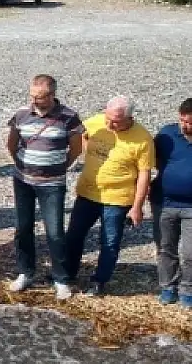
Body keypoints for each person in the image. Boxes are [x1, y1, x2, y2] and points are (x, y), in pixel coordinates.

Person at [64, 96, 155, 296]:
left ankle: (99, 280)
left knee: (110, 241)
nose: (109, 124)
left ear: (129, 118)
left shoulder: (142, 139)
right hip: (88, 192)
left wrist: (137, 206)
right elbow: (79, 133)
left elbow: (144, 174)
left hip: (118, 198)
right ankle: (67, 273)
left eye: (115, 121)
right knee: (74, 235)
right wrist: (83, 150)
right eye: (108, 118)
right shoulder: (96, 121)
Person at [5, 75, 83, 301]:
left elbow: (76, 149)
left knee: (55, 232)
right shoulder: (21, 114)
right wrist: (23, 164)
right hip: (23, 180)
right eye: (32, 96)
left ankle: (60, 278)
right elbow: (12, 144)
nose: (34, 100)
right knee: (23, 228)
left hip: (52, 184)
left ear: (51, 95)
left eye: (39, 97)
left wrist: (59, 166)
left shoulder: (68, 117)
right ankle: (25, 272)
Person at [153, 98, 192, 306]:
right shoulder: (167, 134)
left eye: (190, 123)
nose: (185, 126)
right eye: (182, 121)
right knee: (165, 248)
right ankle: (168, 286)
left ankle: (188, 288)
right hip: (164, 202)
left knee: (190, 252)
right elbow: (153, 161)